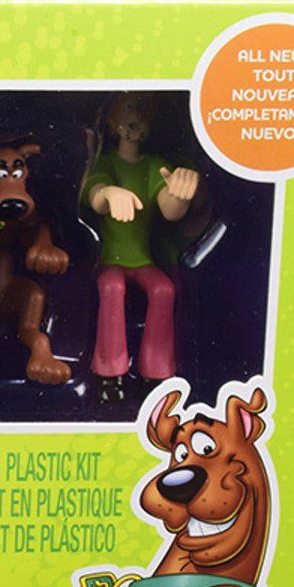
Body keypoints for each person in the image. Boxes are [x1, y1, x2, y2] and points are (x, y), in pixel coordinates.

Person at [82, 94, 199, 403]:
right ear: (112, 121)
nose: (137, 117)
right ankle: (110, 372)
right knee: (111, 285)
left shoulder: (153, 166)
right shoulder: (105, 162)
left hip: (142, 260)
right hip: (109, 259)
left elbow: (169, 209)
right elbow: (94, 194)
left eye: (144, 110)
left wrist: (181, 195)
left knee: (163, 290)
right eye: (131, 108)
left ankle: (156, 372)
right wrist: (108, 193)